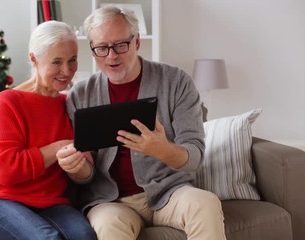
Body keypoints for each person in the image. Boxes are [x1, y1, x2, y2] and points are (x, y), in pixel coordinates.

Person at [56, 5, 227, 240]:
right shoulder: (81, 95)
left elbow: (194, 156)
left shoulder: (176, 82)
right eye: (102, 48)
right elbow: (86, 175)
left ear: (136, 42)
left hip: (170, 192)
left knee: (205, 204)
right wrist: (77, 168)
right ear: (93, 51)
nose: (112, 55)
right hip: (111, 201)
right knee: (108, 226)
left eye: (120, 45)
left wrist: (163, 149)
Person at [0, 20, 96, 240]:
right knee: (46, 238)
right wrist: (58, 148)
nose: (67, 71)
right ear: (34, 59)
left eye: (72, 60)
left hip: (49, 202)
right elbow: (5, 171)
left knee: (84, 236)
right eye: (56, 62)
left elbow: (87, 171)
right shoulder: (7, 102)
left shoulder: (70, 104)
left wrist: (79, 168)